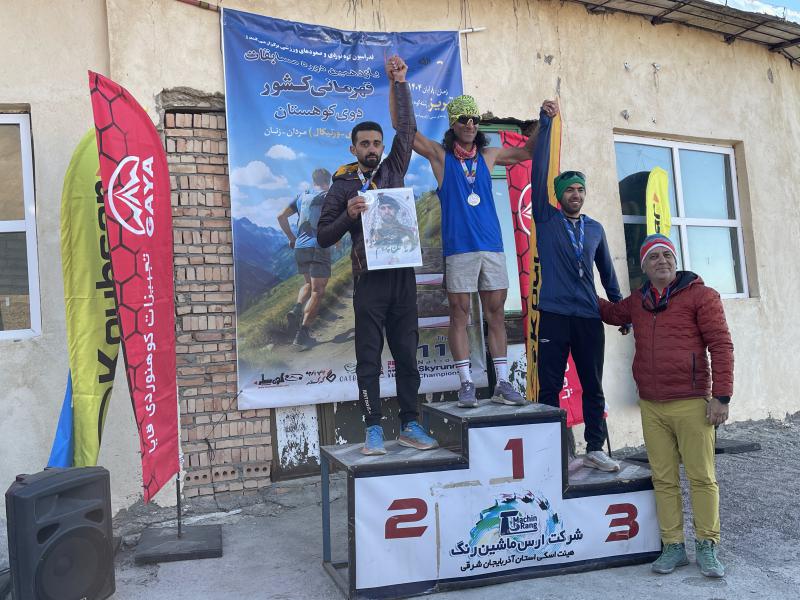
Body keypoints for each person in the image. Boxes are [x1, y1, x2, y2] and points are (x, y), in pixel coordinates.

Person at [317, 55, 437, 456]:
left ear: (383, 147)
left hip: (402, 277)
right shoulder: (341, 186)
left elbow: (408, 129)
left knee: (407, 355)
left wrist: (399, 83)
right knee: (368, 357)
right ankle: (372, 428)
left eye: (376, 143)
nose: (371, 149)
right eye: (364, 144)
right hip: (368, 281)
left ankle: (410, 424)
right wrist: (348, 215)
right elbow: (323, 236)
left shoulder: (393, 169)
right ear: (353, 148)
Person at [410, 93, 559, 408]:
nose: (470, 124)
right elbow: (407, 133)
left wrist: (544, 119)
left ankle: (502, 383)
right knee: (459, 314)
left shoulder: (489, 155)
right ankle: (466, 383)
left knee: (496, 314)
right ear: (453, 124)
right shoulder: (441, 157)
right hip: (459, 250)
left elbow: (528, 151)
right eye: (463, 119)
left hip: (492, 247)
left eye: (474, 119)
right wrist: (398, 85)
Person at [598, 233, 733, 578]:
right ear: (643, 266)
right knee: (663, 478)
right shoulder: (638, 301)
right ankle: (673, 545)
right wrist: (579, 285)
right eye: (654, 257)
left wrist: (721, 397)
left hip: (692, 403)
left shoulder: (702, 296)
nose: (662, 261)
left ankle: (707, 544)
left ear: (676, 261)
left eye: (667, 255)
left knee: (702, 477)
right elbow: (611, 313)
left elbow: (721, 345)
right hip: (652, 405)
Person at [529, 108, 627, 472]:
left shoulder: (595, 228)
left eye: (580, 189)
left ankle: (595, 448)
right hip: (554, 315)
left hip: (588, 316)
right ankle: (549, 451)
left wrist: (620, 310)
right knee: (549, 387)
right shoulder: (546, 218)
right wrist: (545, 124)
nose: (576, 194)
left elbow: (608, 273)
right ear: (559, 194)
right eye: (570, 189)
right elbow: (539, 171)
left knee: (592, 385)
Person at [277, 168, 332, 349]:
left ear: (313, 180)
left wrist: (292, 238)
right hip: (319, 247)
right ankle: (302, 334)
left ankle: (297, 307)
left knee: (308, 284)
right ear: (328, 181)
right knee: (318, 291)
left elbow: (281, 217)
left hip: (300, 247)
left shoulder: (302, 196)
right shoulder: (329, 196)